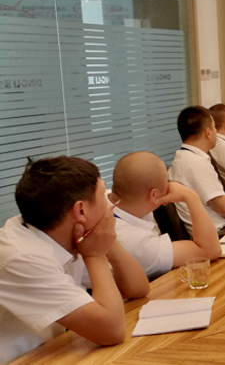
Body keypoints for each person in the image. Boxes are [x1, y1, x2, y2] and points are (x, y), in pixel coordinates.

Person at [0, 156, 149, 365]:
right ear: (81, 210)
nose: (110, 206)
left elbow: (137, 288)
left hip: (55, 351)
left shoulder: (61, 231)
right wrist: (95, 255)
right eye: (103, 196)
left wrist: (106, 237)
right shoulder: (22, 256)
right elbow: (112, 331)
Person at [110, 152, 221, 280]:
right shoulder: (136, 242)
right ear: (154, 195)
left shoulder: (113, 202)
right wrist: (190, 196)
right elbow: (209, 251)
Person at [168, 106, 225, 236]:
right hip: (221, 234)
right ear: (208, 133)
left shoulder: (183, 159)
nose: (216, 132)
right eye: (214, 128)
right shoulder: (195, 163)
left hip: (218, 229)